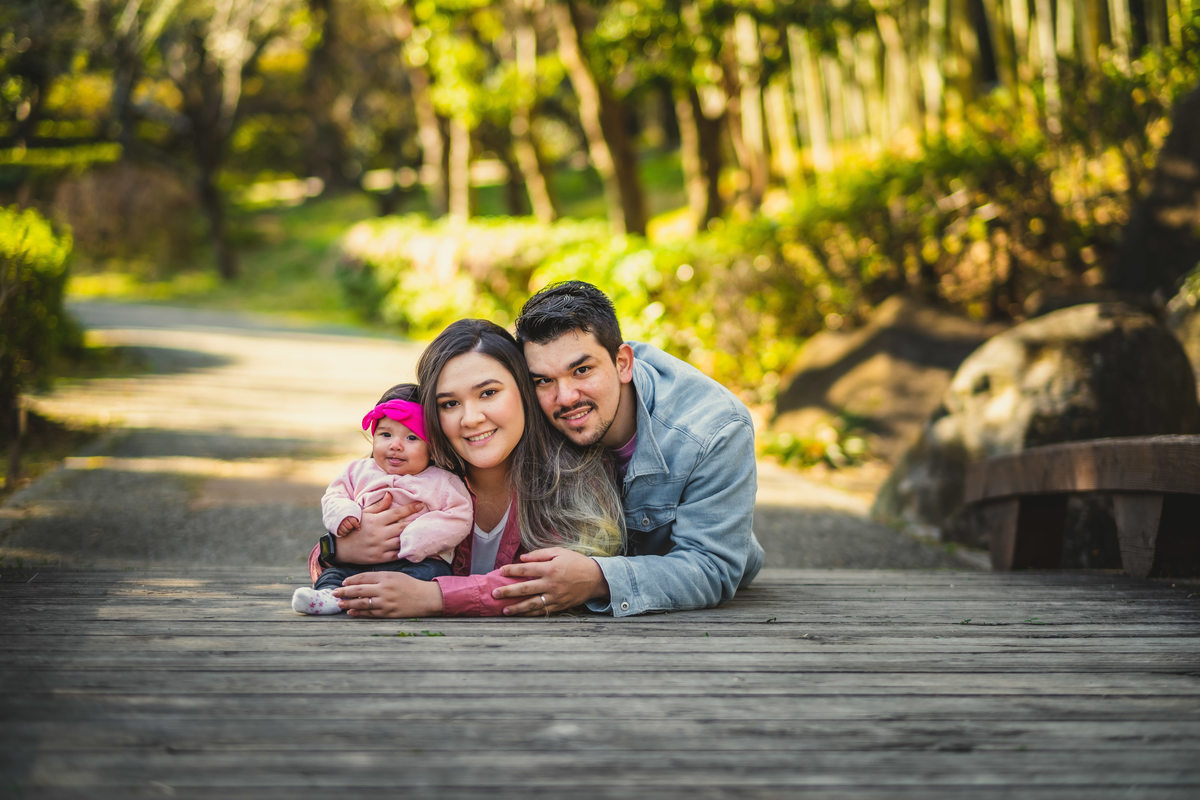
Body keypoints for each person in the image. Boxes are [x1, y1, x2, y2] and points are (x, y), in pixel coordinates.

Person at [496, 279, 765, 616]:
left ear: (622, 363)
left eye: (582, 370)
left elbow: (712, 567)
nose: (565, 397)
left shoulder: (713, 428)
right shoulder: (528, 404)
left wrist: (598, 579)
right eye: (544, 380)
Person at [326, 318, 624, 617]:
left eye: (488, 393)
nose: (470, 419)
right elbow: (343, 559)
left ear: (524, 392)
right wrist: (337, 548)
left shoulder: (570, 479)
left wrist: (435, 597)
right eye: (449, 404)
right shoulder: (417, 478)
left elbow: (546, 582)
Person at [291, 383, 473, 615]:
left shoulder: (441, 481)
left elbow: (458, 515)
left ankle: (380, 597)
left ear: (432, 448)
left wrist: (419, 537)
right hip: (358, 560)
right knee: (334, 574)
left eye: (411, 438)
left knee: (435, 572)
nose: (395, 445)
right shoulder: (358, 471)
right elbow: (335, 495)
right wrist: (345, 514)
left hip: (413, 562)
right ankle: (329, 598)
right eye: (385, 434)